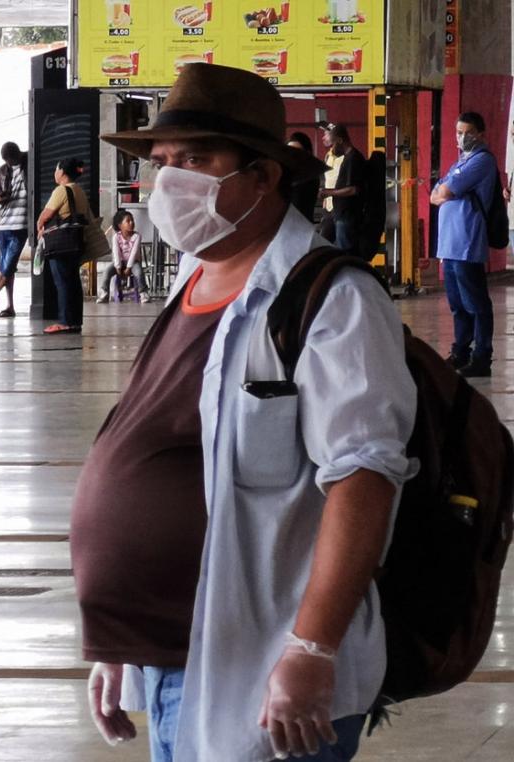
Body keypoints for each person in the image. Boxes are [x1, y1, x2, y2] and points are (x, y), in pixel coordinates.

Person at [80, 63, 414, 762]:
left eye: (196, 160)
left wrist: (312, 648)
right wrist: (124, 643)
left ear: (262, 177)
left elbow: (364, 477)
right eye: (164, 163)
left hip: (266, 670)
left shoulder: (330, 298)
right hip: (176, 660)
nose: (170, 182)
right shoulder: (195, 279)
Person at [431, 111, 502, 378]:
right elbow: (433, 194)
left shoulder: (482, 161)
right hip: (449, 246)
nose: (462, 137)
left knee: (476, 304)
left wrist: (444, 192)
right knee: (458, 305)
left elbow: (445, 191)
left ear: (480, 134)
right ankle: (460, 351)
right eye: (459, 132)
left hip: (467, 244)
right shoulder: (460, 162)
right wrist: (443, 191)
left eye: (467, 132)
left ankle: (481, 356)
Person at [37, 158, 90, 334]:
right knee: (73, 282)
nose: (55, 172)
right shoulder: (79, 190)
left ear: (62, 172)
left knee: (62, 283)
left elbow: (46, 215)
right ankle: (74, 322)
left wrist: (39, 226)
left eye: (56, 169)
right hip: (76, 241)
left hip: (61, 244)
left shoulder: (61, 190)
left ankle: (65, 322)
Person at [0, 142, 29, 317]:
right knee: (5, 266)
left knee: (9, 264)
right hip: (4, 222)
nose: (9, 164)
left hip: (21, 222)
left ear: (17, 154)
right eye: (6, 161)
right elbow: (0, 193)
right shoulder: (2, 171)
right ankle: (10, 306)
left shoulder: (30, 162)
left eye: (11, 160)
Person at [316, 122, 364, 256]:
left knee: (344, 253)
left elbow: (353, 189)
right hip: (335, 212)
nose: (331, 148)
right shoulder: (345, 157)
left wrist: (327, 193)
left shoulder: (353, 159)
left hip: (346, 215)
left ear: (340, 140)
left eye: (333, 144)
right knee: (324, 247)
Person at [96, 210, 147, 303]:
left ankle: (143, 293)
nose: (131, 223)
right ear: (120, 225)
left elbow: (134, 253)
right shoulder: (116, 237)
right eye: (128, 221)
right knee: (107, 271)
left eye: (132, 220)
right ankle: (104, 293)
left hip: (133, 262)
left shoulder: (137, 236)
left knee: (139, 273)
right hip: (119, 262)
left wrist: (128, 268)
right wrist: (118, 266)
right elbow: (116, 253)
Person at [286, 132, 320, 222]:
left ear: (307, 153)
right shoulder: (289, 172)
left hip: (299, 225)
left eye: (297, 151)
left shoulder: (309, 175)